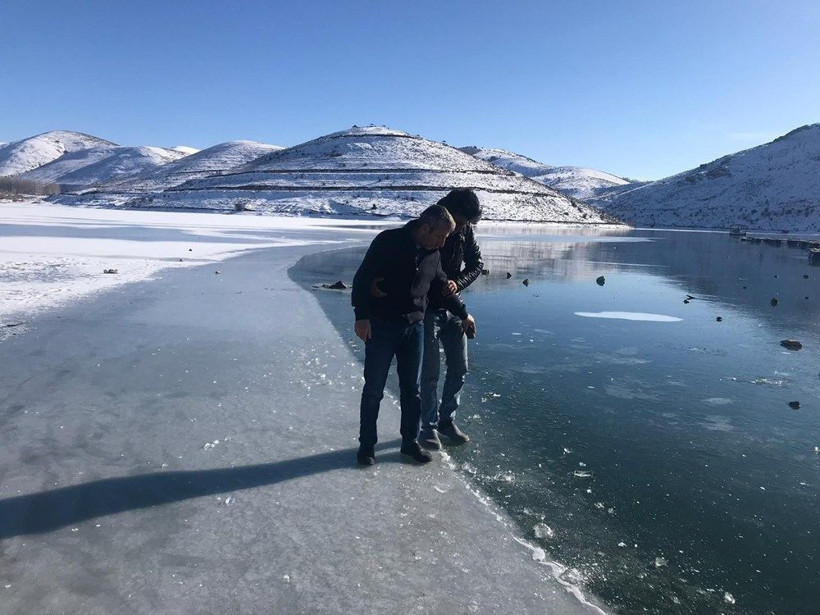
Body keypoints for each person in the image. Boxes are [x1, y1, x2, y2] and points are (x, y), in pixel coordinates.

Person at [352, 205, 477, 466]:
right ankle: (367, 446)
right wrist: (361, 316)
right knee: (374, 389)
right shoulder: (389, 241)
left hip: (414, 328)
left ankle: (409, 444)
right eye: (441, 236)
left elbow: (442, 284)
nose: (444, 242)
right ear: (425, 228)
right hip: (382, 325)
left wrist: (463, 313)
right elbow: (362, 278)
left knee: (412, 390)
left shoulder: (433, 254)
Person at [418, 188, 483, 450]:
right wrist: (461, 307)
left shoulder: (465, 231)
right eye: (464, 219)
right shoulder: (430, 227)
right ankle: (428, 427)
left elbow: (477, 263)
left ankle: (447, 420)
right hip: (429, 310)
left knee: (460, 368)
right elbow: (428, 276)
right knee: (431, 373)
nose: (465, 225)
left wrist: (459, 282)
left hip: (453, 310)